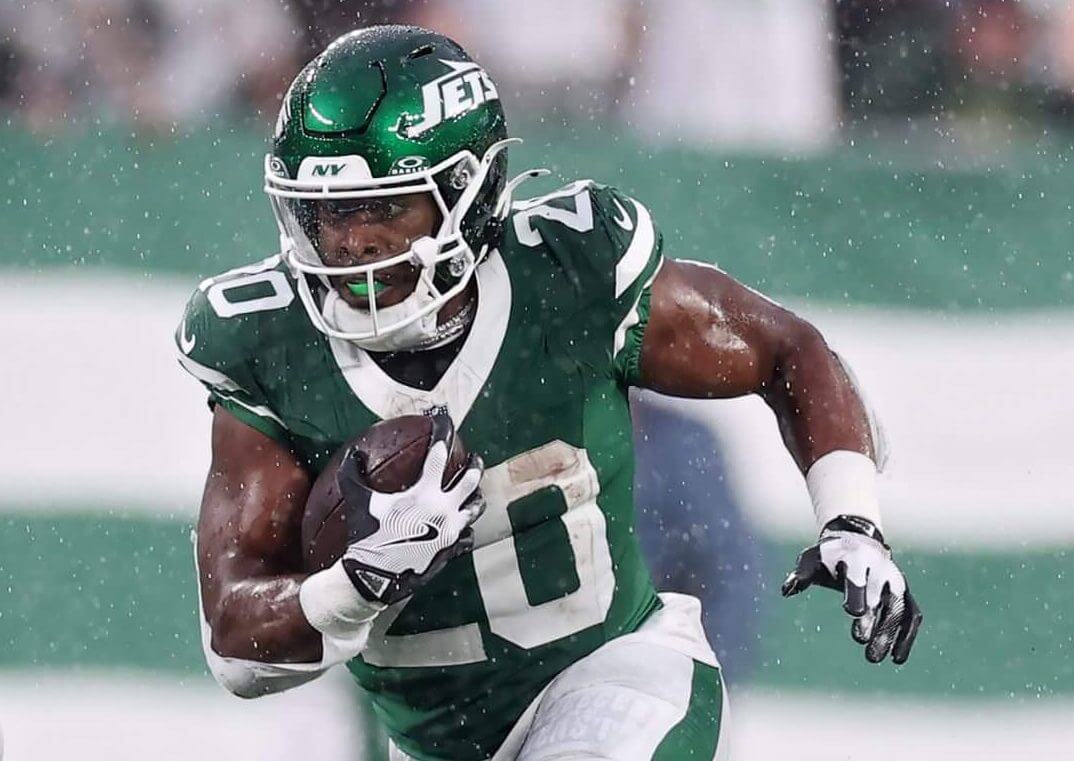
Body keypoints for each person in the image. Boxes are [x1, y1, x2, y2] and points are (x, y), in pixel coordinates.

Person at [176, 25, 922, 761]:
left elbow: (786, 350)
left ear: (467, 194)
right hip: (438, 746)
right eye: (331, 212)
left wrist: (850, 518)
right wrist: (359, 580)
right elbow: (236, 647)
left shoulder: (564, 273)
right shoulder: (268, 345)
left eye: (385, 208)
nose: (352, 243)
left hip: (618, 677)